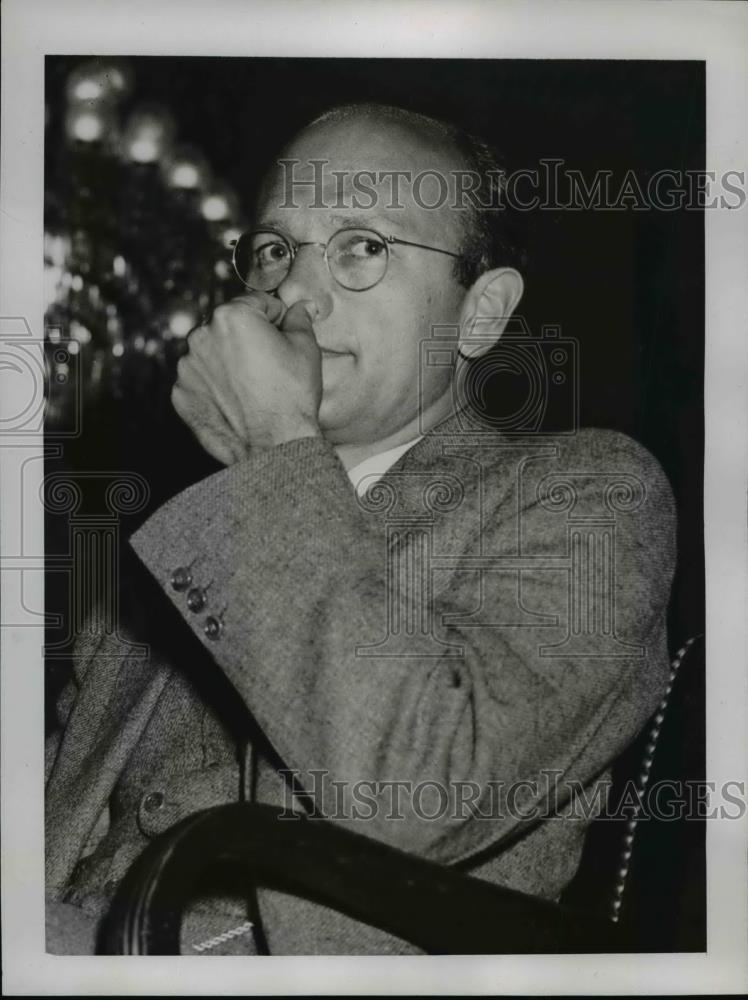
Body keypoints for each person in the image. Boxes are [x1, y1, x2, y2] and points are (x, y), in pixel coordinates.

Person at [45, 102, 677, 955]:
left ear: (481, 315)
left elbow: (422, 789)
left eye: (363, 246)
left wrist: (273, 449)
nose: (294, 291)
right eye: (274, 251)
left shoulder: (590, 495)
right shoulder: (160, 559)